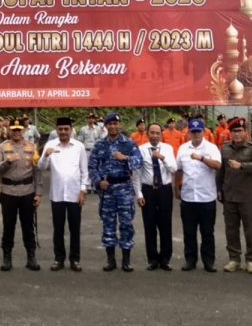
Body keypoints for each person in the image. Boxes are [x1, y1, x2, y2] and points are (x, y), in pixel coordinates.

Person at [88, 112, 142, 272]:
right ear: (105, 126)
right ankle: (110, 260)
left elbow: (139, 162)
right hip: (107, 190)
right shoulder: (99, 145)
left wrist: (125, 158)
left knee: (126, 223)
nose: (113, 126)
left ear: (120, 125)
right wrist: (98, 181)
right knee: (108, 224)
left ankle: (126, 260)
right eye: (109, 124)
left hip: (124, 189)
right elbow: (91, 167)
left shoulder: (129, 144)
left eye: (115, 124)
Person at [38, 116, 88, 271]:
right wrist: (46, 155)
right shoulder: (50, 145)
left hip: (74, 194)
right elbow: (40, 167)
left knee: (75, 228)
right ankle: (58, 259)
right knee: (58, 228)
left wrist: (83, 190)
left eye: (66, 129)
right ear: (56, 130)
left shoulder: (79, 146)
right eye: (60, 129)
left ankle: (75, 259)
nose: (63, 132)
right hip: (57, 194)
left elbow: (84, 171)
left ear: (71, 130)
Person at [0, 118, 42, 271]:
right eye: (13, 129)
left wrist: (38, 193)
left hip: (27, 191)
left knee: (28, 226)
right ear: (9, 130)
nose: (16, 132)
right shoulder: (2, 147)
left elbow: (37, 171)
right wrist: (7, 161)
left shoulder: (31, 146)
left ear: (24, 130)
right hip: (8, 192)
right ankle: (7, 257)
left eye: (19, 129)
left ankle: (31, 257)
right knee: (8, 226)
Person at [217, 117, 252, 274]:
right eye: (234, 131)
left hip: (249, 197)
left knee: (251, 230)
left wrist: (241, 166)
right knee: (231, 229)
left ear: (245, 132)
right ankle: (234, 259)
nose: (237, 134)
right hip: (230, 195)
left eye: (240, 131)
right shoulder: (225, 149)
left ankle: (251, 259)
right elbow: (221, 171)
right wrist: (219, 189)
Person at [175, 118, 222, 272]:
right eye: (193, 131)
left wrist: (201, 158)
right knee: (189, 232)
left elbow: (218, 165)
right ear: (189, 132)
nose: (196, 134)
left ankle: (209, 261)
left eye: (198, 131)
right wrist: (176, 187)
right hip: (188, 197)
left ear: (204, 132)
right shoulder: (183, 148)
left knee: (207, 232)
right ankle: (190, 260)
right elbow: (179, 169)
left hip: (206, 197)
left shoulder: (211, 147)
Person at [133, 122, 177, 270]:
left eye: (157, 133)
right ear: (147, 134)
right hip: (148, 190)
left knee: (165, 224)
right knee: (149, 224)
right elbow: (137, 174)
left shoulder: (168, 148)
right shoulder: (141, 149)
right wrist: (139, 194)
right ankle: (152, 258)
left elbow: (174, 168)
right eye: (152, 132)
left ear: (161, 134)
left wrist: (162, 158)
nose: (155, 135)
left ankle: (165, 259)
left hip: (164, 189)